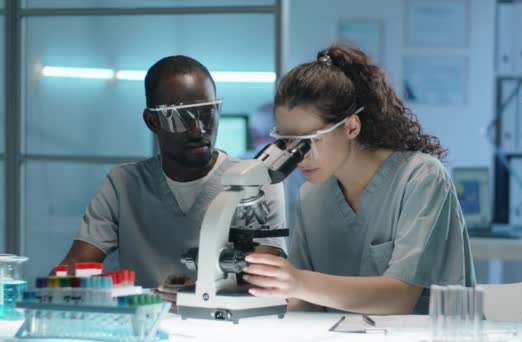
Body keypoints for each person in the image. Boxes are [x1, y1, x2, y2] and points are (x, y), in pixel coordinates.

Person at [243, 45, 476, 315]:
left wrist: (298, 282)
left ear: (352, 126)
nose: (299, 155)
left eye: (309, 141)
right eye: (287, 140)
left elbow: (399, 298)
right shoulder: (312, 196)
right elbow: (306, 301)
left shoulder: (421, 178)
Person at [56, 55, 286, 288]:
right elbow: (75, 268)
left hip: (226, 321)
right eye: (180, 116)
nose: (198, 129)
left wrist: (196, 292)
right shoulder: (122, 185)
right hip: (146, 321)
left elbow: (265, 280)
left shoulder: (254, 184)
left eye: (207, 112)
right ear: (152, 121)